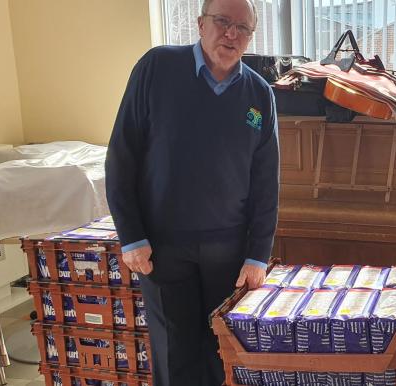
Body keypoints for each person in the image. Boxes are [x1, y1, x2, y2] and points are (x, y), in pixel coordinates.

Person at [105, 0, 278, 384]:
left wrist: (258, 255)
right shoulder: (156, 68)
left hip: (229, 255)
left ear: (250, 37)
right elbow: (121, 157)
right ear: (201, 24)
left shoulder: (259, 94)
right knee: (175, 354)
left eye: (243, 28)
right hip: (163, 250)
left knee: (223, 354)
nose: (231, 34)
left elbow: (267, 183)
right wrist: (131, 236)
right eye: (222, 22)